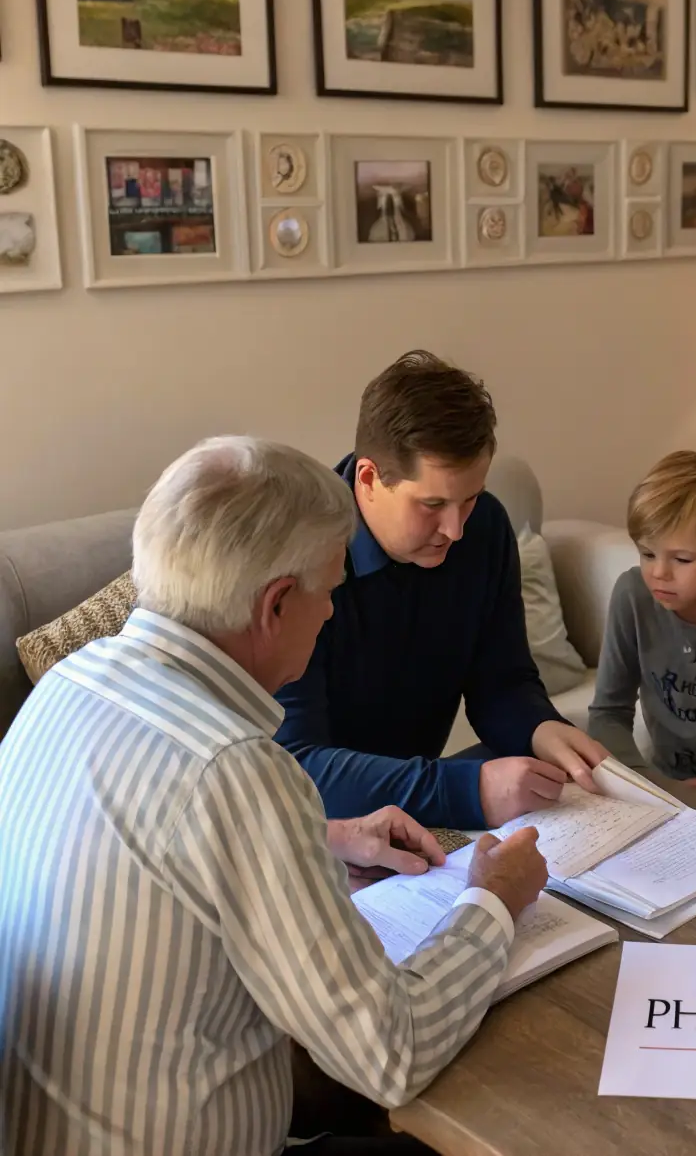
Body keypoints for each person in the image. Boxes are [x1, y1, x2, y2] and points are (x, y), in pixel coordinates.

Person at [0, 437, 549, 1155]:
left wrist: (326, 836)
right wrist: (495, 898)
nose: (330, 613)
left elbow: (142, 844)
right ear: (277, 604)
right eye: (330, 588)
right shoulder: (234, 768)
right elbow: (392, 1053)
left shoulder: (70, 684)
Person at [275, 351, 608, 830]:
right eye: (432, 504)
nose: (454, 530)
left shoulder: (487, 528)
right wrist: (468, 789)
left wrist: (540, 728)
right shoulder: (297, 553)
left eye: (468, 498)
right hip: (325, 833)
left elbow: (502, 680)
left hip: (422, 812)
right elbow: (295, 768)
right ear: (369, 479)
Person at [587, 451, 696, 780]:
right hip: (661, 793)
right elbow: (608, 713)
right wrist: (643, 784)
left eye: (682, 560)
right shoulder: (633, 595)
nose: (659, 573)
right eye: (647, 553)